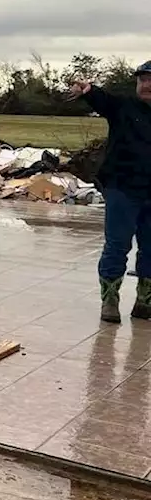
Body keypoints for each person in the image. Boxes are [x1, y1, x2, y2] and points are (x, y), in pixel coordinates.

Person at [71, 60, 151, 322]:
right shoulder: (123, 107)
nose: (146, 85)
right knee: (117, 245)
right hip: (122, 189)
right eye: (142, 80)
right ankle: (110, 300)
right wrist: (88, 90)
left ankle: (144, 300)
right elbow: (102, 99)